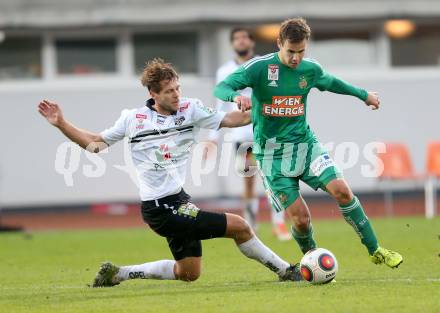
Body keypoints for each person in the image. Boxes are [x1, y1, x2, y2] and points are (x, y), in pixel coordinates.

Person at [38, 58, 303, 287]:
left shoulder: (190, 108)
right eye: (169, 91)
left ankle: (119, 273)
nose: (177, 95)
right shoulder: (133, 119)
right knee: (240, 226)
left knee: (188, 273)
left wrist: (268, 108)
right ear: (153, 93)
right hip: (159, 208)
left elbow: (232, 119)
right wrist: (61, 123)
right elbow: (95, 143)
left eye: (178, 88)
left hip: (179, 200)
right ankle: (286, 271)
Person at [214, 18, 403, 268]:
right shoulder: (259, 68)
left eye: (301, 51)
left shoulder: (309, 69)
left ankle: (375, 249)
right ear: (279, 43)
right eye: (291, 51)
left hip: (306, 146)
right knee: (301, 220)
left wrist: (364, 95)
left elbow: (333, 82)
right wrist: (235, 96)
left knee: (343, 191)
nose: (295, 58)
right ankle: (315, 263)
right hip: (272, 156)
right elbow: (222, 87)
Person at [210, 27, 290, 240]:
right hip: (240, 135)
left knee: (275, 178)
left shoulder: (265, 65)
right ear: (232, 43)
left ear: (252, 42)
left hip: (266, 132)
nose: (241, 41)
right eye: (237, 38)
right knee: (249, 181)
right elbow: (220, 104)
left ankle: (279, 224)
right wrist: (213, 137)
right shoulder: (224, 71)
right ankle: (252, 223)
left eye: (245, 37)